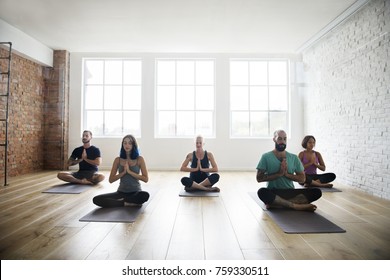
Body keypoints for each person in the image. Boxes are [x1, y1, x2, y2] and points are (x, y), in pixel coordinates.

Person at [256, 130, 322, 211]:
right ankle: (295, 205)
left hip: (290, 192)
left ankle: (279, 205)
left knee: (317, 192)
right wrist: (278, 174)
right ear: (274, 139)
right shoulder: (266, 157)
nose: (282, 141)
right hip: (274, 192)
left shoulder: (294, 158)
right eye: (279, 138)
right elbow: (259, 178)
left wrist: (287, 175)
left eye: (285, 139)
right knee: (262, 192)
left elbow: (302, 179)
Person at [92, 134, 149, 207]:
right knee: (96, 199)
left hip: (135, 192)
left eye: (129, 143)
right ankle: (125, 202)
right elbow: (111, 180)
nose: (127, 145)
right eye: (125, 143)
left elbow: (145, 179)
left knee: (145, 195)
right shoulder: (117, 160)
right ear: (122, 145)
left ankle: (122, 201)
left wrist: (130, 172)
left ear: (133, 145)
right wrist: (123, 173)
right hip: (121, 192)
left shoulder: (139, 159)